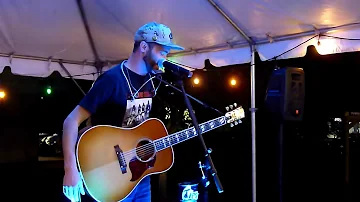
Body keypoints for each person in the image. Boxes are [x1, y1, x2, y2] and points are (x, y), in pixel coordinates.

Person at [62, 22, 184, 202]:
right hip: (110, 176)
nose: (164, 59)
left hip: (140, 174)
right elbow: (71, 121)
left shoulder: (151, 81)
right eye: (162, 52)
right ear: (144, 47)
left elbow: (141, 128)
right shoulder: (112, 80)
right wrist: (70, 169)